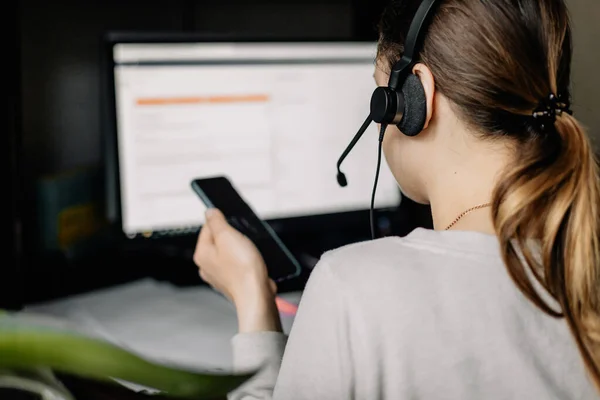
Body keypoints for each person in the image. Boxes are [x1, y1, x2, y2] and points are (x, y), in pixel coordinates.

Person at [193, 0, 600, 398]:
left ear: (416, 95)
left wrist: (253, 302)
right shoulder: (584, 262)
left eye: (379, 95)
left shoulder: (354, 287)